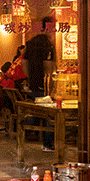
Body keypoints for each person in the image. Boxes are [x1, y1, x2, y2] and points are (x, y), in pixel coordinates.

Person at [23, 16, 57, 150]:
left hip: (33, 84)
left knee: (37, 111)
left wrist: (30, 78)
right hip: (44, 85)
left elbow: (24, 62)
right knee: (50, 113)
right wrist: (51, 86)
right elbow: (48, 68)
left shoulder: (31, 43)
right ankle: (47, 143)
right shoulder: (47, 45)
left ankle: (25, 130)